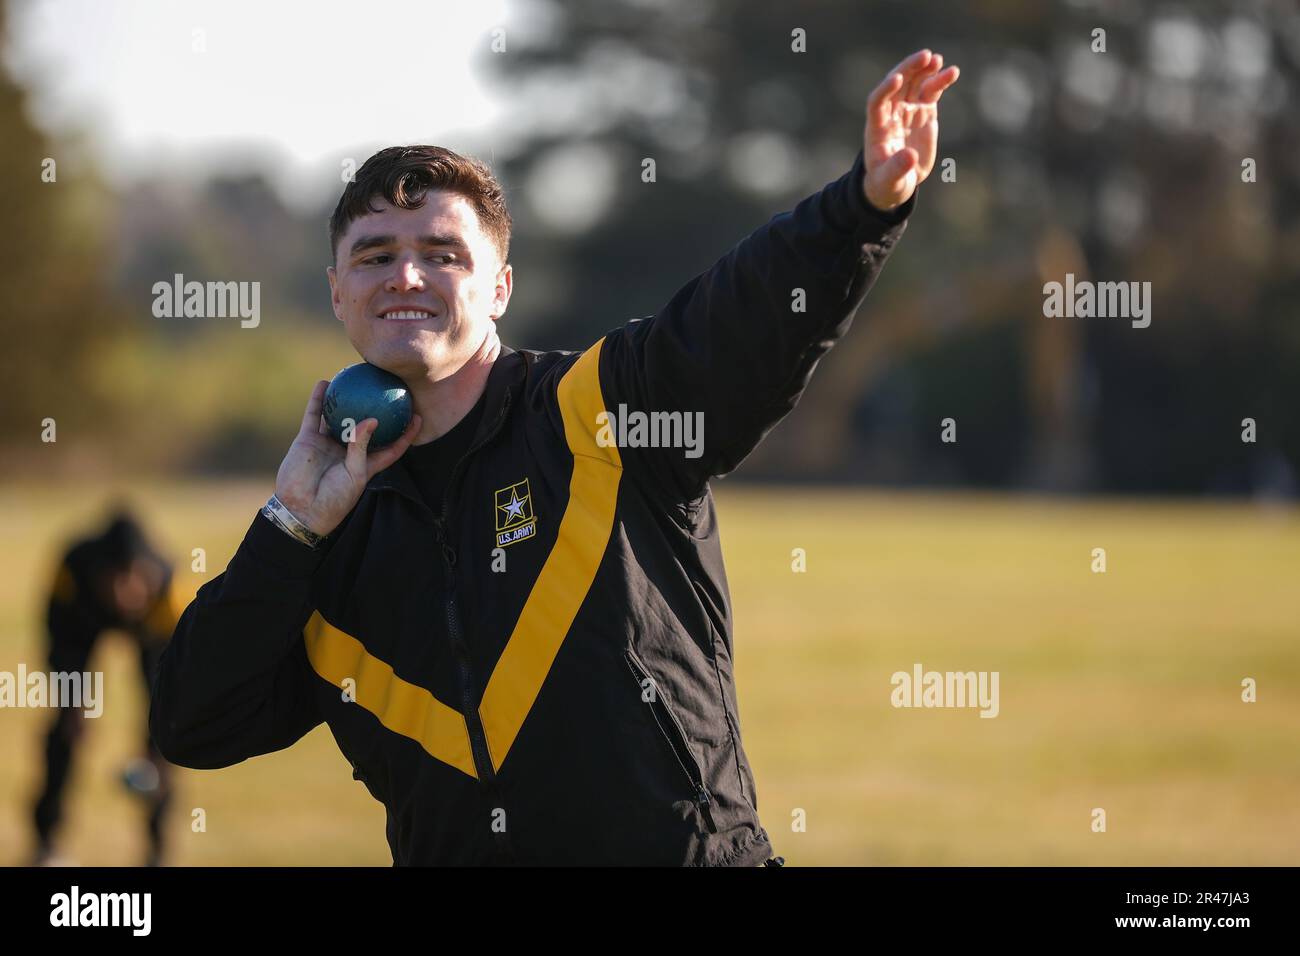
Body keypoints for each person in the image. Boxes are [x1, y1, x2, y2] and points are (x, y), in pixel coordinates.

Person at [151, 49, 959, 865]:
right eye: (374, 255)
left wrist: (862, 206)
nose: (406, 275)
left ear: (499, 287)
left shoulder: (598, 409)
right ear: (336, 291)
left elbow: (737, 319)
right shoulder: (326, 537)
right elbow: (193, 721)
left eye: (442, 253)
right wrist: (292, 525)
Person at [33, 507, 182, 866]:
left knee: (166, 739)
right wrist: (73, 705)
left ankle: (157, 853)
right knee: (64, 734)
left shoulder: (168, 587)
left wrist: (154, 745)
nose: (125, 594)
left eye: (134, 579)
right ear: (99, 573)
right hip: (81, 626)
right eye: (116, 579)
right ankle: (46, 845)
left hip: (151, 636)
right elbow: (59, 641)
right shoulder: (73, 569)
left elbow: (173, 676)